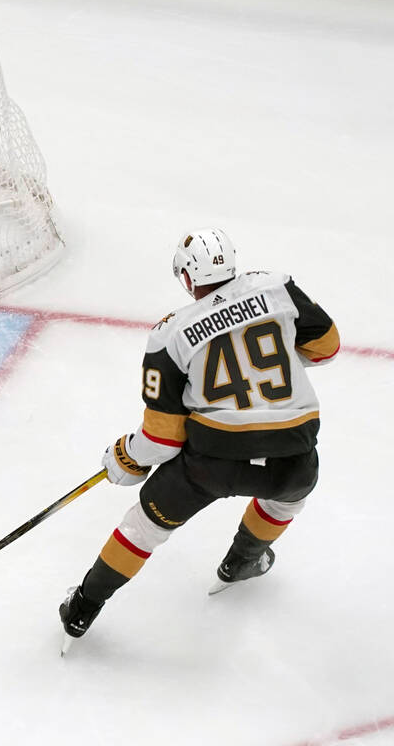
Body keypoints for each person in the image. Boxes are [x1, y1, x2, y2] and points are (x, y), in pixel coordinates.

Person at [59, 228, 339, 652]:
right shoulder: (277, 288)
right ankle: (241, 563)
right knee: (286, 498)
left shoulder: (170, 334)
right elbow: (327, 347)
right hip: (293, 458)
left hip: (212, 465)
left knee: (143, 526)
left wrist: (126, 458)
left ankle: (83, 607)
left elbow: (161, 440)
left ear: (188, 278)